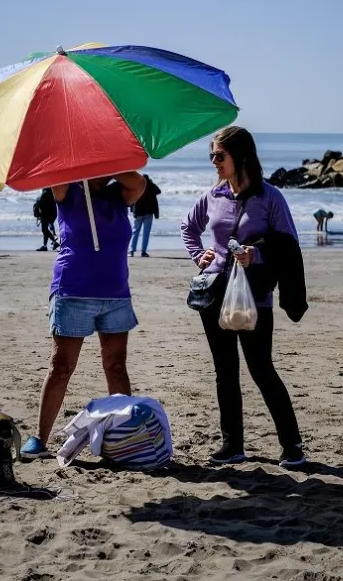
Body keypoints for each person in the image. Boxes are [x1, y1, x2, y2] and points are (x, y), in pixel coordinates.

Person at [181, 126, 306, 468]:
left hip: (254, 297)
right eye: (211, 156)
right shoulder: (214, 194)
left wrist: (258, 255)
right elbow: (188, 227)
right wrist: (199, 256)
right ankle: (232, 445)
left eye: (220, 156)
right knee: (225, 371)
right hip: (215, 293)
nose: (214, 162)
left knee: (261, 368)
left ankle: (292, 446)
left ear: (242, 156)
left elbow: (289, 244)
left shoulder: (269, 198)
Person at [19, 172, 146, 460]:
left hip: (115, 294)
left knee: (116, 367)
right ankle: (40, 439)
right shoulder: (69, 192)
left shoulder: (118, 196)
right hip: (73, 291)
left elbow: (139, 184)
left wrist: (111, 165)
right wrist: (80, 167)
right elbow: (56, 170)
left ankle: (125, 438)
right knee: (61, 366)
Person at [130, 175, 161, 258]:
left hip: (138, 213)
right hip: (148, 213)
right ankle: (143, 251)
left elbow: (132, 199)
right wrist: (151, 182)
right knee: (146, 233)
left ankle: (132, 250)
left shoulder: (138, 187)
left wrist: (132, 211)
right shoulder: (151, 188)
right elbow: (158, 191)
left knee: (135, 232)